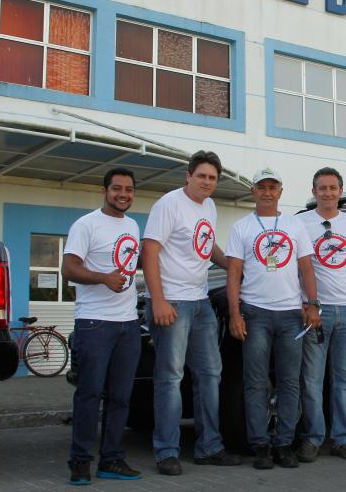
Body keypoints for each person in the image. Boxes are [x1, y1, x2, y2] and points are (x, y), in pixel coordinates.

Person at [141, 151, 240, 476]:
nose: (207, 183)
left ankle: (209, 446)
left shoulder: (208, 206)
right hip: (173, 303)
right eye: (202, 176)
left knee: (210, 374)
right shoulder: (169, 204)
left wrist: (232, 264)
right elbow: (150, 251)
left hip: (200, 303)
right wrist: (158, 300)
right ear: (188, 176)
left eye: (212, 178)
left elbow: (206, 246)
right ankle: (166, 451)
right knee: (170, 378)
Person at [225, 167, 320, 470]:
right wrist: (235, 314)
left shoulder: (294, 225)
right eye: (261, 186)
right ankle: (261, 445)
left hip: (291, 315)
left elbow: (306, 268)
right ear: (253, 191)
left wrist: (313, 304)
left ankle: (284, 444)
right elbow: (234, 273)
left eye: (273, 186)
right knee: (255, 383)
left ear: (281, 191)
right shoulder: (241, 227)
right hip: (255, 314)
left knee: (290, 383)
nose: (267, 191)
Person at [63, 168, 143, 485]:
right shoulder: (86, 224)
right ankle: (80, 461)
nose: (123, 194)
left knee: (121, 397)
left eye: (129, 189)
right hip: (95, 323)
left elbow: (131, 263)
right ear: (105, 191)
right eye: (117, 188)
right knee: (89, 394)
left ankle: (111, 459)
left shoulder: (134, 226)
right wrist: (103, 278)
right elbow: (68, 268)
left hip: (128, 324)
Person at [295, 167, 346, 462]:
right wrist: (303, 302)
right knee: (312, 380)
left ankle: (342, 438)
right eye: (322, 188)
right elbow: (295, 266)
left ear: (340, 191)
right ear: (313, 192)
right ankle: (312, 438)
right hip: (316, 312)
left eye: (333, 188)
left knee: (344, 380)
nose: (328, 193)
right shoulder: (300, 222)